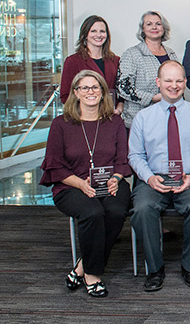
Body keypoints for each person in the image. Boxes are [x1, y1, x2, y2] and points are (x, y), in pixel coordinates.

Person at [40, 70, 131, 297]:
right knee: (93, 212)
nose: (91, 92)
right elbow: (54, 165)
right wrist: (80, 184)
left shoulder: (115, 122)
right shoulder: (60, 124)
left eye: (95, 87)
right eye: (85, 88)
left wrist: (116, 178)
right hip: (70, 185)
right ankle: (92, 274)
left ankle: (81, 266)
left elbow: (123, 159)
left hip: (109, 183)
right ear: (75, 93)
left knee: (117, 211)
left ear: (102, 92)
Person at [128, 61, 190, 292]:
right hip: (154, 177)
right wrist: (148, 177)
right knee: (143, 209)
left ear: (185, 83)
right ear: (158, 83)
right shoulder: (143, 118)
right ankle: (155, 269)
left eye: (178, 81)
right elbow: (135, 155)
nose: (174, 86)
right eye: (168, 81)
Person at [117, 11, 179, 128]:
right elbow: (123, 87)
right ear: (142, 29)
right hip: (138, 121)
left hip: (167, 119)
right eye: (149, 24)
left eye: (158, 24)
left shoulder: (171, 53)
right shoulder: (132, 54)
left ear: (164, 28)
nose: (154, 27)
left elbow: (179, 80)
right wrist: (152, 98)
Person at [59, 15, 122, 115]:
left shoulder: (116, 60)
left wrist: (119, 108)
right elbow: (65, 95)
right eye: (93, 31)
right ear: (85, 34)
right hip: (83, 118)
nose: (99, 35)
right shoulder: (73, 61)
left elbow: (122, 92)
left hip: (110, 115)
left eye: (102, 31)